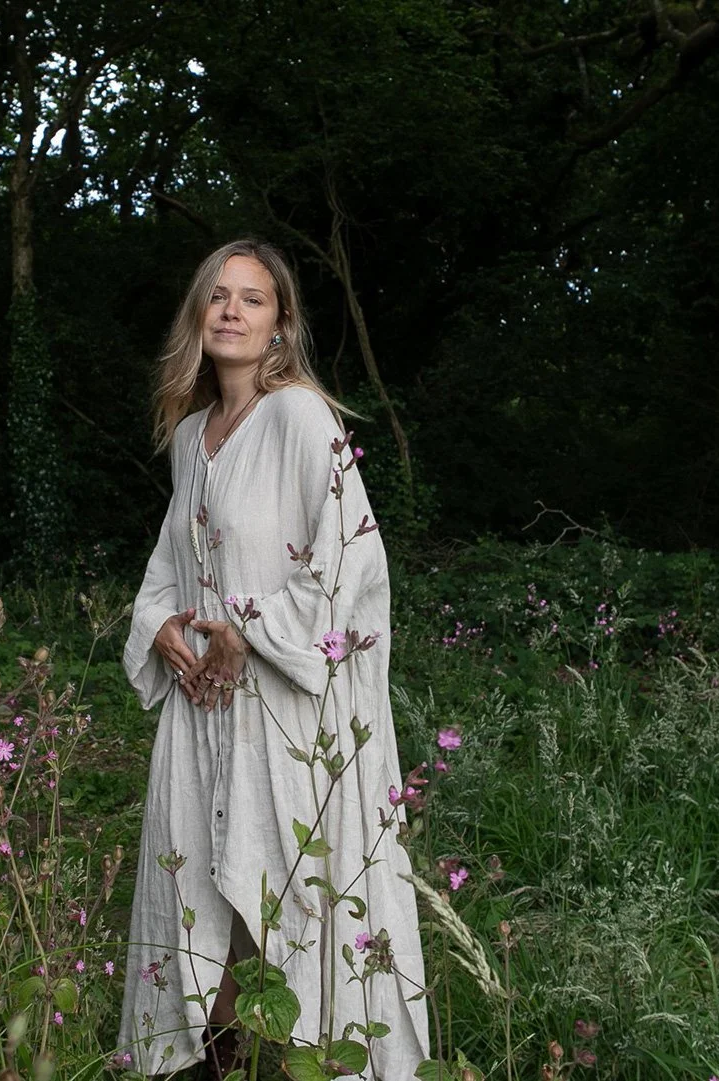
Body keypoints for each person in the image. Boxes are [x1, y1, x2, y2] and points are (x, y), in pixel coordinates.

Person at [117, 239, 428, 1078]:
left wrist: (246, 630)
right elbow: (164, 573)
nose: (231, 311)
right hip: (200, 710)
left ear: (280, 325)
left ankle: (309, 1061)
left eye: (252, 299)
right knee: (199, 908)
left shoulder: (298, 416)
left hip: (282, 712)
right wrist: (163, 629)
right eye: (217, 296)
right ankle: (217, 1063)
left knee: (286, 908)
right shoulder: (190, 437)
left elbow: (350, 561)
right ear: (198, 315)